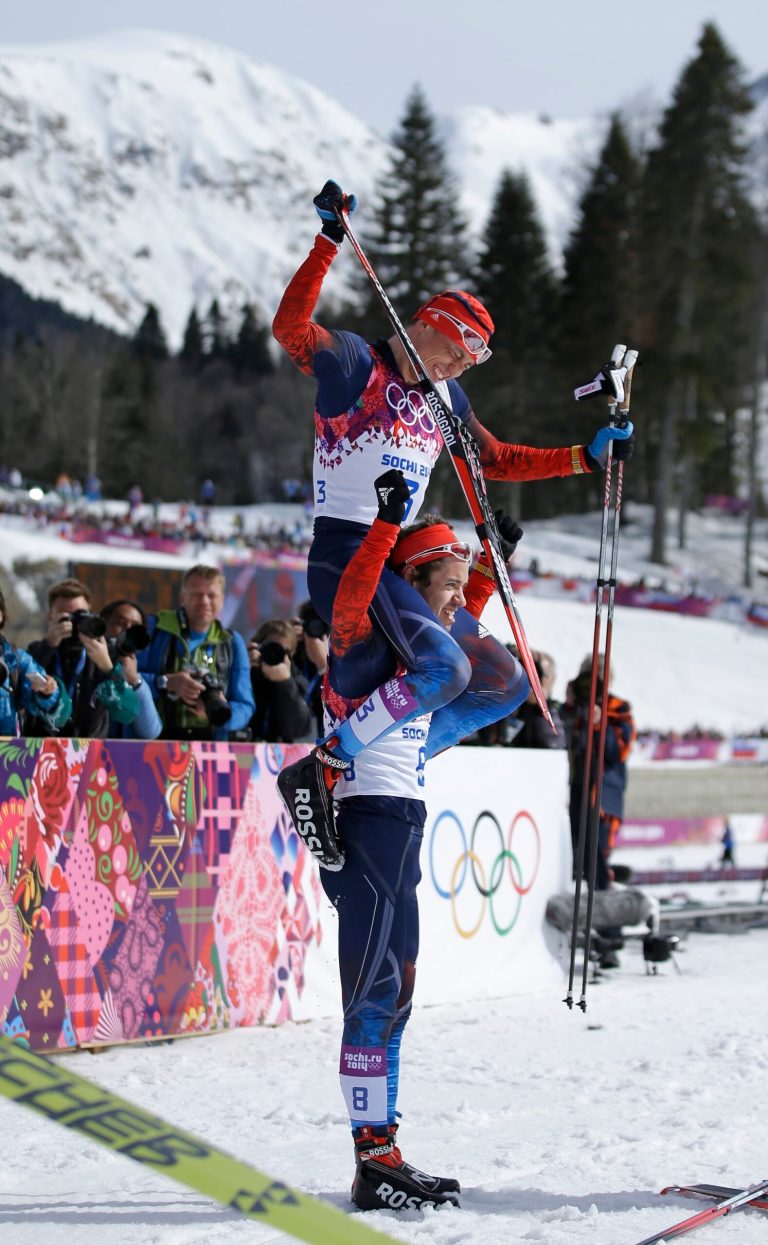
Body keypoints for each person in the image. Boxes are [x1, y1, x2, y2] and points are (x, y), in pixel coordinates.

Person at [272, 178, 635, 854]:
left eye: (471, 361)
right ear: (433, 329)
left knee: (503, 681)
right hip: (349, 553)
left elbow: (495, 459)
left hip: (396, 556)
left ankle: (384, 754)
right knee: (447, 669)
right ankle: (323, 765)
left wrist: (584, 458)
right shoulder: (360, 365)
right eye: (460, 352)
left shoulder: (446, 399)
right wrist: (327, 242)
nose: (463, 366)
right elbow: (290, 329)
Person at [319, 472, 515, 1211]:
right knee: (371, 997)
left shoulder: (417, 676)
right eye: (449, 585)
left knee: (396, 996)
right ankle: (371, 1157)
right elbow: (356, 592)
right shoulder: (366, 647)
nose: (458, 603)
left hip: (402, 816)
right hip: (368, 818)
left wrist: (486, 577)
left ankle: (385, 1147)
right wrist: (384, 525)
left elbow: (482, 671)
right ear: (412, 580)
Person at [138, 564, 254, 741]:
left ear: (222, 600)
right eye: (196, 594)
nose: (205, 601)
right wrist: (166, 682)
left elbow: (245, 705)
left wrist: (219, 713)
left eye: (211, 595)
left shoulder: (231, 641)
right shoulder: (155, 628)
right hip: (155, 743)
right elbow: (128, 680)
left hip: (210, 747)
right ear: (182, 598)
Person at [563, 654, 636, 893]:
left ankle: (606, 915)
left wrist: (599, 723)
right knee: (571, 854)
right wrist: (569, 707)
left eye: (601, 679)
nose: (594, 685)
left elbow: (619, 751)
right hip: (574, 789)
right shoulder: (574, 708)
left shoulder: (619, 709)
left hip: (604, 798)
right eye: (590, 678)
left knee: (598, 857)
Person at [25, 578, 120, 738]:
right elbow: (24, 688)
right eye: (65, 616)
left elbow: (124, 707)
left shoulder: (105, 653)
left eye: (79, 615)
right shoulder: (36, 651)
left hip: (89, 751)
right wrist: (48, 646)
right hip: (43, 748)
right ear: (50, 616)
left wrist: (107, 666)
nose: (73, 623)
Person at [0, 589, 70, 736]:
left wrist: (48, 692)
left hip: (6, 753)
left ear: (1, 615)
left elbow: (58, 715)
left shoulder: (16, 660)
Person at [99, 600, 162, 740]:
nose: (127, 629)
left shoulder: (136, 677)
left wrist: (135, 681)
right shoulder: (86, 664)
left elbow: (151, 732)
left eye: (134, 626)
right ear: (103, 625)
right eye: (120, 623)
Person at [247, 618, 315, 743]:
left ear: (292, 654)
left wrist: (284, 683)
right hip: (243, 754)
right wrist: (245, 669)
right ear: (257, 646)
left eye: (283, 651)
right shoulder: (245, 671)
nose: (275, 654)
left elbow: (297, 729)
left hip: (281, 758)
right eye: (270, 648)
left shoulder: (299, 683)